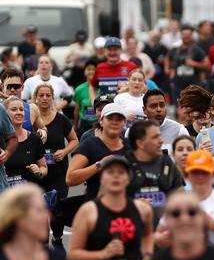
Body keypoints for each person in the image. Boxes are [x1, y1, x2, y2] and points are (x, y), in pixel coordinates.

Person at [155, 149, 214, 249]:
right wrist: (171, 235)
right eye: (195, 173)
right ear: (186, 175)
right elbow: (158, 237)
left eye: (205, 172)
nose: (200, 177)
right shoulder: (179, 202)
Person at [34, 83, 78, 247]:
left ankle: (57, 237)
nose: (45, 98)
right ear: (36, 98)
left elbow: (74, 140)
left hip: (58, 171)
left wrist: (64, 151)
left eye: (48, 95)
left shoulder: (61, 119)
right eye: (41, 95)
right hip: (37, 172)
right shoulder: (30, 119)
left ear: (52, 98)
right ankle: (42, 241)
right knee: (39, 208)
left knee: (57, 207)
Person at [126, 119, 184, 225]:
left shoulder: (167, 163)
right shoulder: (123, 166)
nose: (161, 141)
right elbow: (106, 201)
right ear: (140, 143)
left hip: (166, 231)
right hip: (133, 231)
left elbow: (181, 197)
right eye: (155, 137)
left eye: (160, 136)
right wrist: (132, 205)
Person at [67, 103, 130, 201]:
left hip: (125, 206)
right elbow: (70, 178)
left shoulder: (130, 146)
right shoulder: (90, 144)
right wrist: (99, 165)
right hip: (97, 207)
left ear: (124, 123)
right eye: (110, 118)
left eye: (119, 119)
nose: (114, 122)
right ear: (101, 121)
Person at [3, 96, 47, 187]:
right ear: (5, 113)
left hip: (28, 195)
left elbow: (44, 167)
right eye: (14, 109)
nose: (19, 112)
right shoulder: (1, 140)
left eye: (21, 109)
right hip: (5, 196)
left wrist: (39, 171)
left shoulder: (34, 138)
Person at [166, 24, 211, 104]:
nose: (186, 37)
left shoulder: (197, 49)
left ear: (191, 36)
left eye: (188, 35)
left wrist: (194, 63)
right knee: (179, 108)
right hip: (178, 85)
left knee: (193, 108)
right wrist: (167, 69)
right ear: (181, 35)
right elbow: (167, 58)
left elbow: (207, 64)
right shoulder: (175, 49)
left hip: (193, 85)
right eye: (184, 34)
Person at [142, 88, 190, 154]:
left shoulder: (179, 130)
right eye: (153, 106)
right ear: (144, 110)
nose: (159, 109)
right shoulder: (133, 131)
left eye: (162, 105)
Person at [1, 68, 45, 136]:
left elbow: (43, 128)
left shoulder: (32, 108)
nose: (12, 90)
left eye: (16, 86)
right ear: (2, 86)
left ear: (22, 87)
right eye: (9, 86)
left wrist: (43, 132)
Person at [73, 59, 99, 136]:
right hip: (84, 124)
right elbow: (77, 110)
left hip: (99, 123)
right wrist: (75, 125)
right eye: (88, 69)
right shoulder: (79, 89)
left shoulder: (102, 87)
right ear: (84, 72)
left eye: (93, 69)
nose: (91, 71)